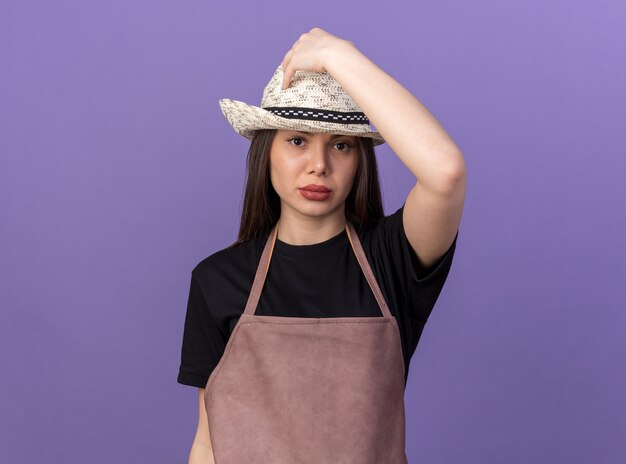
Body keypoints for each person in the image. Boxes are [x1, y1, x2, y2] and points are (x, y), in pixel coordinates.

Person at [177, 27, 466, 464]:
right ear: (265, 152)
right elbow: (208, 441)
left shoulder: (391, 261)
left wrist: (338, 55)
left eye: (341, 145)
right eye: (297, 140)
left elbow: (445, 172)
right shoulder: (217, 280)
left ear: (359, 161)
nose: (319, 165)